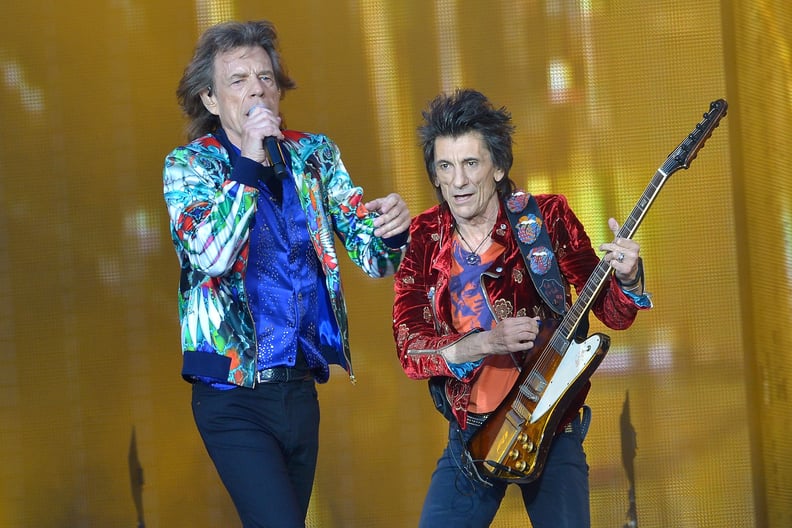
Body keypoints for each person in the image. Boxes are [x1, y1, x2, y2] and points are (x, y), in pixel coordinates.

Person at [162, 20, 410, 528]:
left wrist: (390, 232)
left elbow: (373, 259)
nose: (257, 88)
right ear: (210, 99)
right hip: (231, 394)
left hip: (298, 390)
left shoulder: (313, 155)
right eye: (238, 80)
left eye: (266, 77)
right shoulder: (189, 168)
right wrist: (249, 164)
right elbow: (211, 253)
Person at [392, 89, 651, 528]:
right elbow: (409, 349)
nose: (458, 181)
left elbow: (612, 311)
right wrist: (482, 343)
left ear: (498, 167)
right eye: (446, 167)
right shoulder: (422, 237)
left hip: (551, 425)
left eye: (471, 164)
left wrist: (628, 278)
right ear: (434, 176)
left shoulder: (545, 219)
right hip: (473, 434)